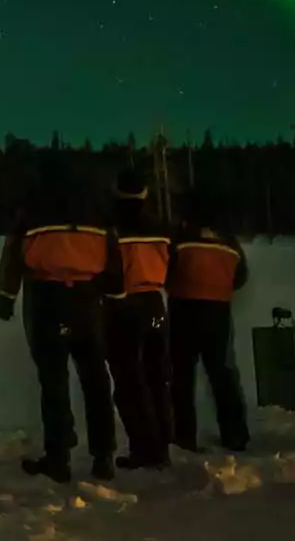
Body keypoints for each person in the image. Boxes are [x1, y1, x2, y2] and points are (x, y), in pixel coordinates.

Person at [0, 160, 118, 483]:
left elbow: (12, 256)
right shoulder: (97, 216)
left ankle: (59, 456)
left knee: (53, 381)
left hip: (47, 300)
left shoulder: (32, 213)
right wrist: (115, 294)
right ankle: (103, 456)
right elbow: (113, 259)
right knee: (95, 379)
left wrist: (5, 297)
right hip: (88, 301)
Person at [168, 192, 251, 454]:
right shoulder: (229, 242)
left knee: (181, 374)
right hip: (218, 311)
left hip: (183, 308)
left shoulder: (180, 239)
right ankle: (235, 434)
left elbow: (166, 271)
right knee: (223, 373)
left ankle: (183, 435)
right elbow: (241, 276)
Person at [104, 169, 172, 470]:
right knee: (156, 377)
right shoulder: (161, 227)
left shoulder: (112, 228)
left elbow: (107, 268)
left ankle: (145, 448)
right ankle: (161, 443)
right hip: (156, 303)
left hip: (124, 306)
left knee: (129, 380)